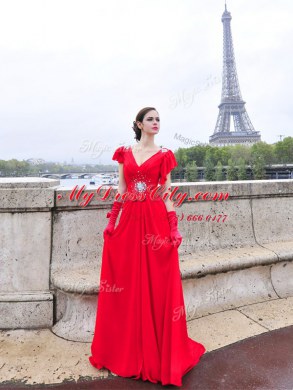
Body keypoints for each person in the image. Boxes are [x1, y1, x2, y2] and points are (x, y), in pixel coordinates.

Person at [88, 107, 206, 387]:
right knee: (127, 282)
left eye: (158, 119)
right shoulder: (124, 153)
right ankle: (126, 348)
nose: (156, 123)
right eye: (150, 119)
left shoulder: (165, 155)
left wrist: (174, 226)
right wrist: (112, 221)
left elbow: (166, 193)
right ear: (139, 124)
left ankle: (157, 350)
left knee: (157, 282)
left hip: (155, 222)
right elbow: (122, 189)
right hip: (129, 221)